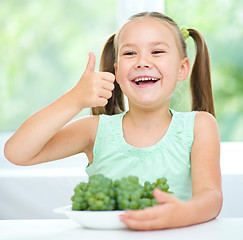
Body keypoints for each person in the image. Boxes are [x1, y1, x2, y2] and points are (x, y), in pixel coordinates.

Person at [4, 12, 222, 230]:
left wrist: (182, 214)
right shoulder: (96, 130)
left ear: (182, 69)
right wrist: (74, 99)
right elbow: (17, 152)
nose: (142, 62)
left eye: (157, 51)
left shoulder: (199, 126)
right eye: (129, 53)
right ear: (116, 73)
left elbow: (211, 198)